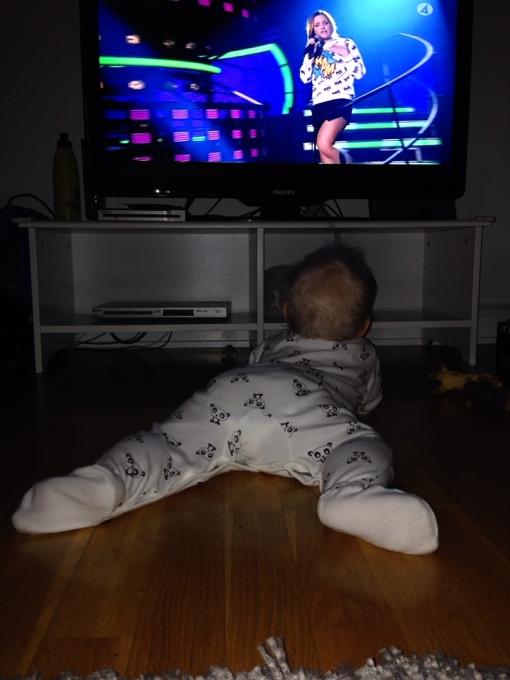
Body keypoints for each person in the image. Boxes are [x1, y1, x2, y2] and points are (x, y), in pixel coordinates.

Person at [12, 241, 438, 555]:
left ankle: (105, 481)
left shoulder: (271, 343)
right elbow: (368, 403)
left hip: (232, 389)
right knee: (361, 444)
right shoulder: (364, 354)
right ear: (364, 326)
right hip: (309, 405)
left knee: (167, 442)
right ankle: (353, 494)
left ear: (286, 314)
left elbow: (255, 367)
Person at [299, 9, 366, 164]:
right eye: (317, 25)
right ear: (313, 30)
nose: (322, 27)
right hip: (318, 104)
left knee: (324, 144)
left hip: (339, 100)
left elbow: (359, 72)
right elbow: (304, 78)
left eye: (325, 23)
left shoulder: (346, 43)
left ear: (332, 24)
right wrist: (309, 55)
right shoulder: (314, 50)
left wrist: (346, 55)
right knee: (323, 155)